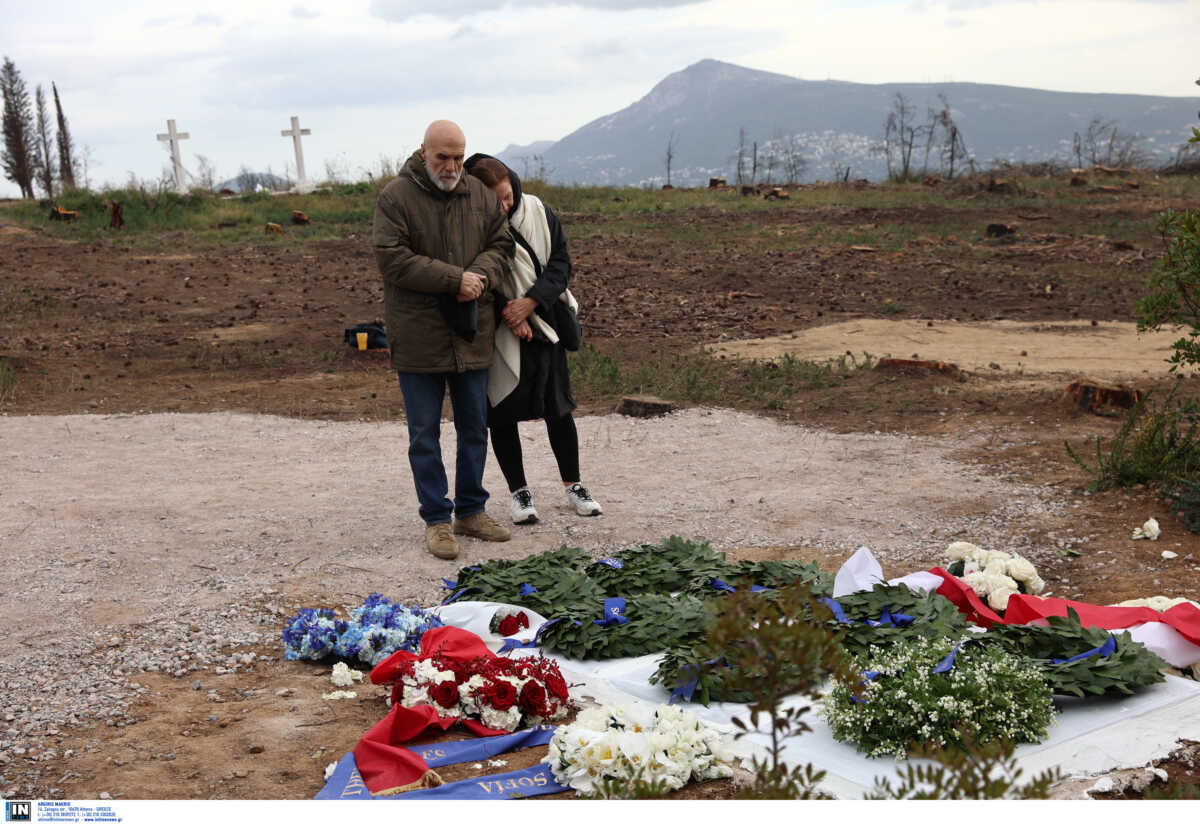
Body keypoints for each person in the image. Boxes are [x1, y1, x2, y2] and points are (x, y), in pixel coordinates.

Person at [373, 121, 515, 560]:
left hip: (472, 332)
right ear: (423, 152)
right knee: (424, 435)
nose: (452, 166)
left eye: (458, 157)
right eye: (443, 157)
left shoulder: (481, 195)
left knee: (475, 428)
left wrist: (480, 278)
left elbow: (502, 246)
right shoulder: (395, 198)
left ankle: (471, 510)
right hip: (418, 336)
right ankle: (437, 519)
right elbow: (392, 259)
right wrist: (455, 279)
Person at [464, 154, 603, 525]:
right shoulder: (470, 225)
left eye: (508, 196)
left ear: (513, 183)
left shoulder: (539, 212)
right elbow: (475, 277)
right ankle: (519, 493)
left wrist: (531, 303)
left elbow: (561, 263)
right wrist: (510, 312)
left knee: (559, 408)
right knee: (502, 412)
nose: (505, 206)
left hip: (546, 320)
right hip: (500, 327)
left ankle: (574, 485)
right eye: (496, 201)